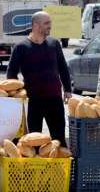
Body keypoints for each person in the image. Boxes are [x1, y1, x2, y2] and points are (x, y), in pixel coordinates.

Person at [7, 11, 72, 147]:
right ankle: (36, 167)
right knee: (32, 140)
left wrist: (67, 89)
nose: (50, 26)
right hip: (32, 101)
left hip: (54, 99)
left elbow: (63, 67)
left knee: (59, 138)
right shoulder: (21, 47)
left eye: (50, 23)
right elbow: (11, 74)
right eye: (47, 23)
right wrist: (16, 94)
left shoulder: (54, 44)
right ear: (36, 25)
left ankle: (60, 167)